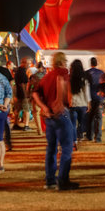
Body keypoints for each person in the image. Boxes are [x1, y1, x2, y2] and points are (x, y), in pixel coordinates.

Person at [32, 52, 78, 190]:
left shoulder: (46, 76)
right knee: (66, 148)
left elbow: (35, 92)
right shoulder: (62, 72)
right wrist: (58, 101)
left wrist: (44, 107)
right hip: (60, 115)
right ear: (63, 61)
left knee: (51, 148)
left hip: (48, 117)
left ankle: (50, 180)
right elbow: (61, 83)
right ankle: (63, 180)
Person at [69, 60, 91, 150]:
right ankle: (80, 135)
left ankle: (74, 141)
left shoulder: (70, 79)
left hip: (73, 104)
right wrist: (89, 103)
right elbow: (87, 92)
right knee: (82, 123)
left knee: (73, 124)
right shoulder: (84, 79)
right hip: (82, 104)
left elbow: (68, 92)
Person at [0, 56, 14, 150]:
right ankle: (8, 142)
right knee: (5, 121)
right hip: (5, 99)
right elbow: (11, 84)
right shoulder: (6, 71)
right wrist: (10, 96)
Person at [85, 57, 105, 143]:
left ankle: (89, 136)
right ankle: (98, 137)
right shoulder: (101, 73)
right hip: (100, 98)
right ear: (96, 63)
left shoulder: (86, 73)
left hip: (89, 98)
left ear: (90, 63)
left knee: (90, 117)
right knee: (99, 118)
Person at [13, 57, 32, 131]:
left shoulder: (18, 71)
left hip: (18, 93)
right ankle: (26, 125)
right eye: (28, 63)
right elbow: (23, 84)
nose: (29, 65)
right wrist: (26, 94)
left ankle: (15, 124)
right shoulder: (23, 72)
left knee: (17, 109)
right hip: (22, 94)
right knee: (27, 109)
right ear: (24, 63)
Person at [28, 62, 46, 135]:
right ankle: (45, 128)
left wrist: (29, 94)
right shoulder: (46, 76)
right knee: (44, 112)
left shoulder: (33, 77)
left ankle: (39, 129)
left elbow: (30, 86)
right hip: (44, 96)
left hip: (35, 96)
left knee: (36, 113)